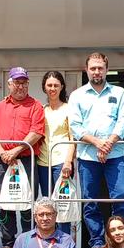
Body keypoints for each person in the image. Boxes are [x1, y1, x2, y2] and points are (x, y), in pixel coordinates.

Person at [69, 52, 124, 248]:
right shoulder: (77, 95)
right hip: (87, 156)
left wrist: (108, 144)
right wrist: (97, 144)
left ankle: (122, 243)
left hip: (115, 155)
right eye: (93, 68)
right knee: (90, 200)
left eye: (100, 68)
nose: (97, 71)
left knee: (121, 197)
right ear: (87, 70)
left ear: (106, 69)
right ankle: (96, 243)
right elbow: (76, 127)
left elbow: (123, 122)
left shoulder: (119, 92)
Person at [0, 66, 46, 248]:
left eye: (24, 82)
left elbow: (36, 133)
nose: (20, 86)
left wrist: (15, 150)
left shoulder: (36, 106)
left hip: (26, 159)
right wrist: (3, 153)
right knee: (4, 202)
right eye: (17, 82)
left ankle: (28, 241)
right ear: (9, 83)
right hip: (3, 161)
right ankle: (8, 243)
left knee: (27, 202)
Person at [42, 71, 75, 233]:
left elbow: (72, 138)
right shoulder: (41, 110)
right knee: (47, 205)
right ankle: (47, 240)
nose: (52, 88)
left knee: (63, 206)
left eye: (56, 85)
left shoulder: (69, 109)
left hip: (62, 163)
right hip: (42, 162)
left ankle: (64, 241)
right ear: (44, 87)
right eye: (49, 85)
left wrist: (68, 161)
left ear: (62, 87)